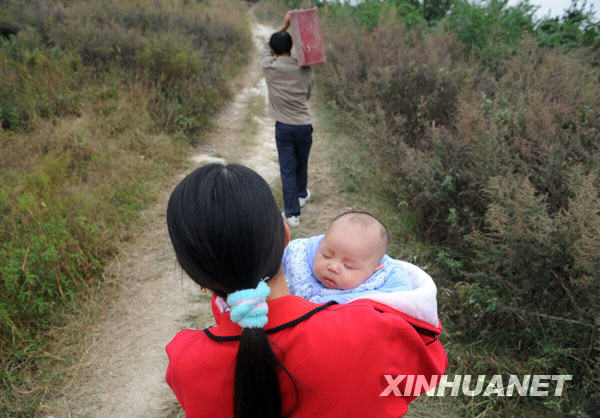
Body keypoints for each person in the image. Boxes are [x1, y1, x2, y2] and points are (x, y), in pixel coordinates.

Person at [165, 163, 448, 418]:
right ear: (286, 236)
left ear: (195, 275)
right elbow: (429, 371)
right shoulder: (374, 329)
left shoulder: (184, 363)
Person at [284, 211, 440, 328]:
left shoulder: (383, 292)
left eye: (348, 266)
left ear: (374, 270)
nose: (333, 267)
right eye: (326, 255)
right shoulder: (301, 256)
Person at [262, 12, 315, 227]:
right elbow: (309, 94)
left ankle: (292, 214)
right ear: (291, 48)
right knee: (302, 163)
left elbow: (265, 48)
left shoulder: (269, 67)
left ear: (274, 51)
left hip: (283, 127)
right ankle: (301, 194)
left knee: (287, 169)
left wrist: (284, 26)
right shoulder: (306, 69)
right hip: (304, 125)